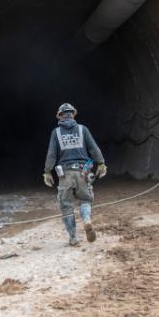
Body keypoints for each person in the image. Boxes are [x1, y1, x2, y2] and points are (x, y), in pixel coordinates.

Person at [43, 103, 107, 247]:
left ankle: (73, 238)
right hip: (83, 171)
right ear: (73, 114)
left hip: (64, 174)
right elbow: (94, 148)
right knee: (85, 199)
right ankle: (86, 220)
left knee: (66, 206)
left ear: (60, 115)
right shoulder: (83, 129)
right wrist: (101, 163)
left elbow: (52, 154)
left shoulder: (56, 132)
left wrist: (47, 171)